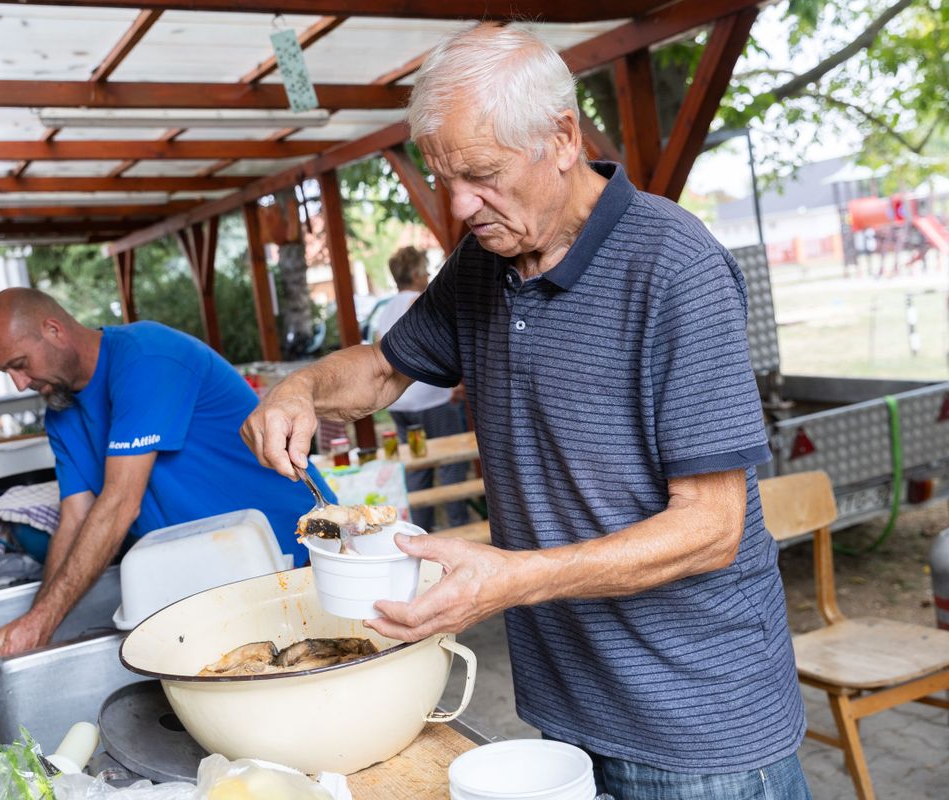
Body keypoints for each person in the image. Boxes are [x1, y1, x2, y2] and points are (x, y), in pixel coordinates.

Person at [240, 23, 810, 800]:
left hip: (698, 727)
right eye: (444, 178)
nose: (459, 206)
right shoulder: (486, 261)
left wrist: (508, 581)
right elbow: (378, 371)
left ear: (563, 137)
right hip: (568, 704)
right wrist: (297, 389)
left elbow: (711, 529)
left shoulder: (675, 269)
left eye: (480, 174)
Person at [0, 288, 332, 657]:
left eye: (20, 363)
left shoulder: (146, 359)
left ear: (53, 329)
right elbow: (73, 520)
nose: (19, 383)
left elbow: (119, 504)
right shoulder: (61, 414)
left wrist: (42, 622)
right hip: (218, 581)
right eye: (7, 372)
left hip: (297, 560)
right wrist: (38, 618)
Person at [373, 246, 470, 531]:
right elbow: (440, 345)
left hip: (400, 404)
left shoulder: (386, 309)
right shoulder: (419, 301)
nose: (428, 276)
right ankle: (460, 528)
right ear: (415, 275)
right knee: (452, 463)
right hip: (430, 399)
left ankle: (418, 531)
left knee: (417, 468)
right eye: (426, 270)